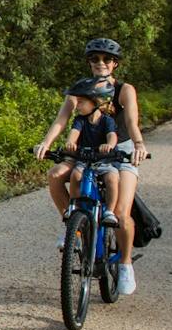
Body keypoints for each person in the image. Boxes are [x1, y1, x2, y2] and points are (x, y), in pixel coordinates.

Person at [34, 37, 148, 295]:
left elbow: (131, 122)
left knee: (121, 213)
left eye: (107, 59)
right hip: (85, 148)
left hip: (119, 151)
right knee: (55, 175)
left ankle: (125, 264)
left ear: (115, 63)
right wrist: (46, 143)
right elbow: (62, 119)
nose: (101, 63)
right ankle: (74, 228)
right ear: (89, 62)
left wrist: (139, 145)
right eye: (95, 59)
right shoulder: (80, 88)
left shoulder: (124, 90)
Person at [47, 75, 120, 225]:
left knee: (112, 178)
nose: (77, 105)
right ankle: (74, 207)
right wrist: (70, 143)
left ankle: (109, 211)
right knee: (76, 175)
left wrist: (109, 146)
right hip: (84, 159)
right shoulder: (80, 120)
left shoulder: (107, 120)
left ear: (96, 102)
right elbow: (74, 133)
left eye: (81, 102)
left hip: (103, 160)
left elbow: (112, 136)